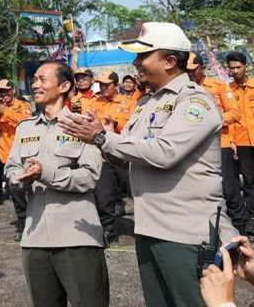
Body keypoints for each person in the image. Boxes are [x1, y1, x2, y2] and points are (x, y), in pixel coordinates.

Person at [60, 22, 234, 307]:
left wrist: (104, 138)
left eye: (143, 56)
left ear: (169, 61)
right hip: (150, 230)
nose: (135, 62)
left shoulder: (194, 102)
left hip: (185, 233)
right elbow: (125, 153)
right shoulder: (145, 103)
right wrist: (99, 139)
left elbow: (165, 152)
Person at [6, 62, 109, 307]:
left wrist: (46, 174)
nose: (35, 84)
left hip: (77, 237)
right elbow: (10, 169)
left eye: (43, 79)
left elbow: (90, 176)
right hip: (35, 239)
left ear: (64, 86)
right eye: (35, 80)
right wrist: (21, 178)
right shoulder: (25, 128)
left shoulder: (83, 126)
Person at [189, 53, 248, 234]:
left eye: (193, 70)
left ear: (203, 68)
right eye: (186, 71)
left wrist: (213, 121)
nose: (189, 74)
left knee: (228, 187)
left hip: (219, 144)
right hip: (193, 146)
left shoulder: (219, 87)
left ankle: (241, 226)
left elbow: (234, 113)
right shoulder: (185, 90)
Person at [88, 71, 135, 243]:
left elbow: (135, 126)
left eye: (107, 85)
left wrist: (115, 125)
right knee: (103, 195)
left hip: (124, 155)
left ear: (116, 86)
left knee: (136, 189)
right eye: (101, 84)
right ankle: (108, 228)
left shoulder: (130, 103)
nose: (103, 88)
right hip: (102, 156)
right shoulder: (94, 104)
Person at [0, 78, 33, 240]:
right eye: (0, 92)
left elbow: (27, 124)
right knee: (15, 191)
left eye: (6, 91)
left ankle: (36, 221)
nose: (3, 94)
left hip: (26, 154)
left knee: (31, 189)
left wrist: (6, 112)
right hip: (7, 156)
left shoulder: (23, 106)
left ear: (13, 90)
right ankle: (24, 223)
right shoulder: (0, 108)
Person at [227, 52, 254, 219]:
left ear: (246, 67)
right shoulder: (227, 90)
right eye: (232, 68)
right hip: (241, 141)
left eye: (238, 67)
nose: (235, 71)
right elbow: (228, 119)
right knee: (249, 180)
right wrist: (231, 141)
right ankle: (251, 216)